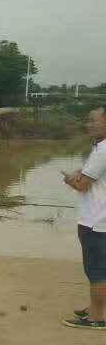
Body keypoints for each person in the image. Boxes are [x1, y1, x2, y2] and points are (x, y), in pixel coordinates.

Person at [62, 106, 106, 329]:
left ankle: (97, 318)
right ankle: (95, 308)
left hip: (96, 221)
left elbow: (82, 184)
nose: (88, 124)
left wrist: (69, 179)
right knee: (102, 269)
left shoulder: (103, 150)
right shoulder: (99, 148)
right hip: (101, 220)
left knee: (96, 270)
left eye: (93, 121)